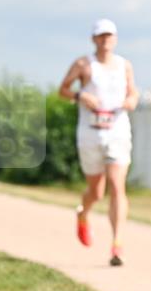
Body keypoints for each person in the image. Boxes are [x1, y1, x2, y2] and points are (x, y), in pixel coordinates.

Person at [59, 19, 139, 266]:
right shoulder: (84, 64)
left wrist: (132, 101)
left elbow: (133, 92)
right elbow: (62, 90)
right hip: (90, 133)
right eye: (101, 36)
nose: (105, 41)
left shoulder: (124, 65)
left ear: (115, 39)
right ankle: (83, 213)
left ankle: (117, 245)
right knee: (96, 191)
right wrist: (80, 95)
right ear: (94, 39)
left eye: (109, 36)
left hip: (117, 131)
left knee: (117, 185)